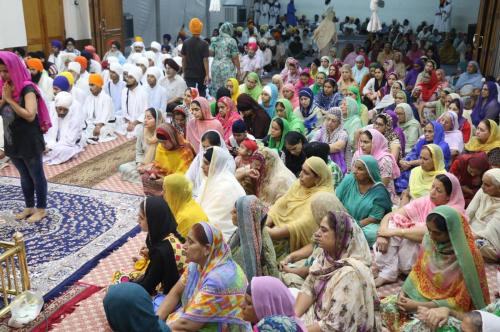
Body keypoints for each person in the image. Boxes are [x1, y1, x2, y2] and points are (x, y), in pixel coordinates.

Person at [380, 206, 490, 332]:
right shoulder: (430, 241)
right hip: (420, 298)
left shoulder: (468, 257)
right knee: (387, 306)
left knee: (418, 327)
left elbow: (461, 302)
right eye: (429, 230)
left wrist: (419, 306)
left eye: (437, 233)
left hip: (446, 309)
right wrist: (403, 293)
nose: (431, 235)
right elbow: (418, 271)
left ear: (451, 232)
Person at [295, 211, 382, 331]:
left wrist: (297, 330)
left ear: (341, 236)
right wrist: (293, 318)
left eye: (324, 230)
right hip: (318, 316)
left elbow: (333, 325)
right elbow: (309, 286)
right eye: (319, 229)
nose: (317, 234)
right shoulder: (325, 256)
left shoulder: (351, 275)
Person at [375, 173, 466, 287]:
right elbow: (392, 215)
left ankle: (390, 269)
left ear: (449, 196)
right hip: (413, 248)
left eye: (438, 190)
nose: (432, 192)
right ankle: (388, 271)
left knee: (405, 230)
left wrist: (394, 232)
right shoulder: (426, 201)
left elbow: (427, 234)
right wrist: (382, 234)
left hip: (435, 256)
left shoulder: (452, 212)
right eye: (432, 187)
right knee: (395, 222)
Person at [0, 51, 52, 221]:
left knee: (36, 175)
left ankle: (42, 208)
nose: (3, 75)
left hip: (29, 140)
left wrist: (10, 99)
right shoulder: (4, 86)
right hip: (12, 139)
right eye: (0, 71)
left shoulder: (27, 88)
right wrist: (4, 98)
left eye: (6, 71)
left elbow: (30, 115)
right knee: (23, 175)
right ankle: (29, 207)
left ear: (14, 68)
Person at [266, 157, 333, 260]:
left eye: (306, 173)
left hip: (291, 238)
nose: (300, 175)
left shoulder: (322, 197)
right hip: (278, 228)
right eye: (302, 170)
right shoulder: (299, 184)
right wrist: (266, 222)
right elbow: (280, 204)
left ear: (318, 179)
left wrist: (275, 233)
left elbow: (305, 223)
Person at [125, 197, 185, 296]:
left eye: (141, 217)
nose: (138, 221)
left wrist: (121, 288)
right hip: (174, 281)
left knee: (119, 286)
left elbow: (147, 287)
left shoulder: (161, 251)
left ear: (153, 220)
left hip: (171, 293)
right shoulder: (170, 232)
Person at [336, 155, 392, 246]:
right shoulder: (349, 179)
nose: (355, 171)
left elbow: (373, 218)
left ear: (369, 173)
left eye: (360, 169)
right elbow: (336, 198)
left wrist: (353, 225)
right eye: (355, 167)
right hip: (343, 218)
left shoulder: (379, 191)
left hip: (365, 225)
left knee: (371, 234)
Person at [197, 147, 246, 240]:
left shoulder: (226, 186)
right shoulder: (210, 179)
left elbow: (216, 220)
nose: (202, 166)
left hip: (222, 234)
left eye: (206, 163)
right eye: (203, 162)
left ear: (216, 165)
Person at [229, 195, 279, 280]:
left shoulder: (253, 246)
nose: (231, 213)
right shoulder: (240, 233)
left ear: (246, 217)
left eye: (235, 212)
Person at [141, 123, 195, 196]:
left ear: (172, 138)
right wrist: (154, 173)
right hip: (164, 176)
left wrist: (166, 180)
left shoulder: (185, 149)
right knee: (145, 177)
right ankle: (157, 197)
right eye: (160, 143)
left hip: (178, 180)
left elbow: (185, 174)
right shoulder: (161, 147)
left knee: (173, 185)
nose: (163, 145)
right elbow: (158, 165)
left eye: (165, 143)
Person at [353, 129, 401, 205]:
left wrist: (364, 193)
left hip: (380, 195)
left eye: (366, 142)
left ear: (375, 143)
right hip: (358, 191)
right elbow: (353, 175)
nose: (362, 145)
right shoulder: (358, 154)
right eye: (361, 141)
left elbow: (382, 185)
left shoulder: (385, 160)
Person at [119, 108, 162, 184]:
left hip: (157, 165)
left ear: (157, 120)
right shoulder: (142, 131)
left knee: (154, 173)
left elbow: (163, 158)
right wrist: (140, 164)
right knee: (123, 167)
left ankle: (149, 176)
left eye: (149, 118)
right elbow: (139, 151)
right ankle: (146, 177)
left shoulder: (162, 135)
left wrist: (148, 166)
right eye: (145, 117)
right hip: (143, 161)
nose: (145, 120)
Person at [467, 168, 500, 263]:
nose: (482, 187)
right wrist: (463, 227)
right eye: (482, 183)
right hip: (470, 230)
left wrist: (467, 238)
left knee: (480, 245)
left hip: (489, 239)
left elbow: (489, 232)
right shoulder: (482, 192)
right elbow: (469, 212)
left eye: (487, 185)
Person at [43, 90, 84, 165]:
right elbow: (47, 133)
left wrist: (50, 148)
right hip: (53, 143)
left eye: (65, 110)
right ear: (56, 108)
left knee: (62, 150)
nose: (62, 112)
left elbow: (70, 141)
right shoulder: (51, 111)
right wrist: (43, 145)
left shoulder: (74, 118)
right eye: (60, 109)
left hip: (68, 145)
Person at [162, 173, 208, 238]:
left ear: (174, 194)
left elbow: (174, 244)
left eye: (165, 190)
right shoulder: (190, 203)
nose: (162, 193)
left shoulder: (184, 217)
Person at [311, 107, 348, 174]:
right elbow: (311, 145)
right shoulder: (321, 131)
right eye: (328, 119)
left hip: (337, 167)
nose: (329, 123)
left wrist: (318, 147)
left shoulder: (343, 133)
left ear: (339, 123)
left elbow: (337, 147)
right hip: (321, 163)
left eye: (333, 121)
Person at [82, 73, 116, 144]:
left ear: (99, 85)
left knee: (100, 131)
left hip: (105, 125)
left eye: (92, 85)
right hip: (92, 125)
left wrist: (98, 126)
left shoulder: (106, 98)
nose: (90, 87)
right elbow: (84, 113)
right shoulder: (89, 98)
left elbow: (106, 114)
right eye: (89, 85)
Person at [209, 22, 240, 95]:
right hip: (227, 67)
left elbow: (211, 53)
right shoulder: (232, 41)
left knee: (216, 87)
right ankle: (227, 103)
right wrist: (238, 70)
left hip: (215, 67)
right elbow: (235, 57)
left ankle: (217, 103)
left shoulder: (214, 40)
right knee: (228, 87)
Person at [182, 18, 209, 97]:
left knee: (190, 94)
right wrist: (207, 75)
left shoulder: (186, 42)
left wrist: (184, 72)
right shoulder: (204, 43)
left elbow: (184, 59)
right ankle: (202, 108)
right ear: (201, 28)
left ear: (190, 28)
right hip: (201, 74)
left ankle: (191, 109)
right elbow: (206, 60)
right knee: (202, 93)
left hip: (189, 74)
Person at [120, 66, 148, 138]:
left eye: (131, 77)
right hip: (127, 121)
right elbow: (124, 109)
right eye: (128, 77)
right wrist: (128, 121)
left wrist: (134, 123)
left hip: (139, 123)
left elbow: (145, 112)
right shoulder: (124, 91)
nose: (127, 79)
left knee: (137, 130)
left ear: (136, 80)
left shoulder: (143, 93)